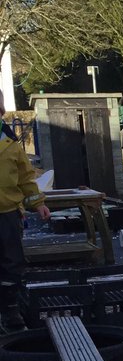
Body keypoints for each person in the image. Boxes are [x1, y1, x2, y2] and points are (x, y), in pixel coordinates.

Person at [0, 90, 52, 333]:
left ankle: (11, 311)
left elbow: (25, 177)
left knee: (12, 263)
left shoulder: (10, 145)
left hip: (8, 212)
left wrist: (38, 203)